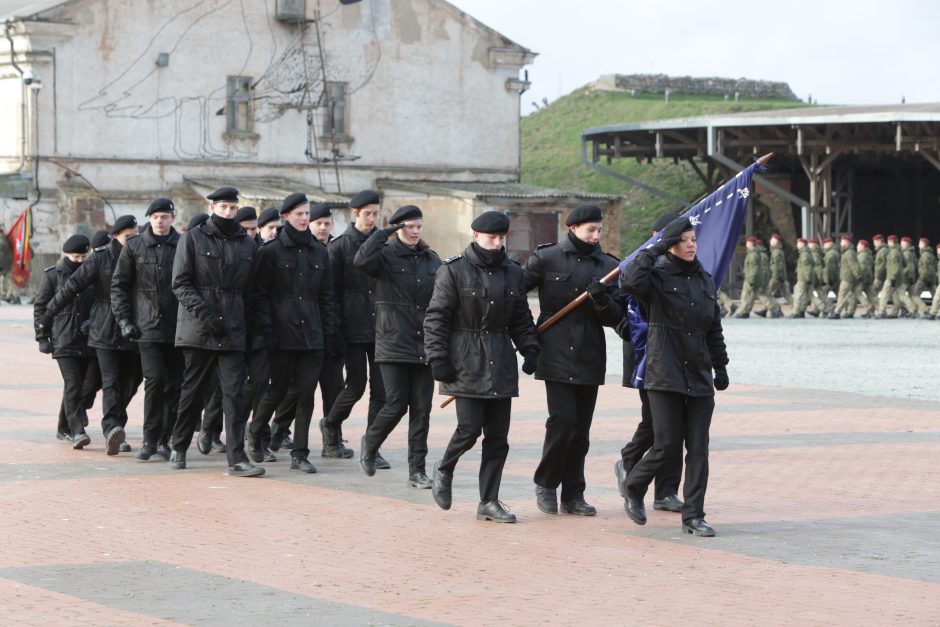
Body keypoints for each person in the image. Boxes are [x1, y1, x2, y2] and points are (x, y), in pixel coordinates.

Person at [425, 211, 539, 523]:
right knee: (469, 429)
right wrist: (438, 359)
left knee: (498, 437)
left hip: (500, 359)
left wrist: (530, 348)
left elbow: (520, 317)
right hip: (465, 360)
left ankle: (488, 501)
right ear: (476, 236)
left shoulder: (513, 273)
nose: (497, 243)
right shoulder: (454, 271)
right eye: (492, 237)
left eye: (502, 238)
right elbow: (436, 318)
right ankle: (444, 467)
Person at [620, 216, 728, 537]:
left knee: (698, 450)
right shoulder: (655, 276)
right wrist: (655, 246)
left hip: (698, 375)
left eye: (694, 239)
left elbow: (714, 328)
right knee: (666, 446)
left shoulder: (705, 280)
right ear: (671, 245)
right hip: (664, 373)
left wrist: (720, 366)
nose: (692, 244)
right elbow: (628, 281)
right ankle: (634, 485)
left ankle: (694, 516)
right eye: (684, 240)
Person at [524, 204, 621, 516]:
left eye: (599, 230)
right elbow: (514, 296)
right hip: (554, 350)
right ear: (573, 228)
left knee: (580, 430)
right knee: (562, 421)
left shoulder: (608, 266)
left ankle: (573, 494)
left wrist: (602, 299)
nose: (596, 236)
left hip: (590, 352)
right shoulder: (547, 257)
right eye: (590, 230)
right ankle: (546, 482)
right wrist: (526, 338)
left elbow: (615, 318)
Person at [169, 186, 264, 477]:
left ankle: (237, 457)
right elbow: (180, 283)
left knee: (234, 395)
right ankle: (179, 445)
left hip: (232, 330)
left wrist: (246, 327)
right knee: (193, 392)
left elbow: (251, 291)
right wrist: (206, 315)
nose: (229, 213)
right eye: (223, 208)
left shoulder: (247, 244)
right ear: (212, 208)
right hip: (199, 329)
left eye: (233, 208)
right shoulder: (193, 239)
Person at [40, 215, 143, 455]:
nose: (133, 240)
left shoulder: (142, 257)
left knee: (129, 384)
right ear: (116, 236)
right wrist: (46, 319)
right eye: (128, 236)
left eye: (135, 235)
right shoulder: (100, 258)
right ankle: (111, 428)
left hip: (134, 330)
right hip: (104, 330)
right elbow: (70, 287)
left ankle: (116, 426)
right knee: (110, 382)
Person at [354, 205, 441, 487]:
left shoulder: (431, 259)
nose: (415, 232)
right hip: (393, 341)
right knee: (395, 404)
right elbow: (361, 261)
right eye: (409, 226)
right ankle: (370, 444)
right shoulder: (384, 256)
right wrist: (384, 232)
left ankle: (417, 471)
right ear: (397, 229)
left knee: (422, 410)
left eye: (419, 226)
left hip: (424, 343)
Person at [250, 192, 336, 473]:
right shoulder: (270, 251)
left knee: (305, 394)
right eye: (299, 214)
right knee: (276, 391)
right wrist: (267, 331)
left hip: (312, 336)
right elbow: (259, 295)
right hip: (281, 335)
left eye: (307, 213)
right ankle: (257, 430)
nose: (304, 218)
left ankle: (300, 453)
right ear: (286, 217)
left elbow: (326, 296)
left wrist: (328, 332)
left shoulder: (320, 251)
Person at [614, 212, 684, 509]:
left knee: (671, 426)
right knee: (657, 422)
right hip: (649, 357)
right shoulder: (640, 265)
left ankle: (666, 491)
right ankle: (629, 461)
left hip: (679, 357)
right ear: (657, 236)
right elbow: (628, 303)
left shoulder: (680, 266)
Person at [110, 198, 182, 461]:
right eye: (155, 217)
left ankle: (166, 439)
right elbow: (119, 285)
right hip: (146, 327)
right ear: (149, 219)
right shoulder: (135, 246)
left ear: (173, 218)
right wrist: (125, 320)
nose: (160, 221)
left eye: (165, 216)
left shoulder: (184, 245)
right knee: (155, 381)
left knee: (175, 384)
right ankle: (150, 439)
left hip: (178, 328)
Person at [320, 190, 386, 462]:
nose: (372, 219)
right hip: (352, 327)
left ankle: (372, 446)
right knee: (356, 385)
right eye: (367, 214)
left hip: (382, 328)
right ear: (355, 214)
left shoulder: (385, 244)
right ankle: (331, 423)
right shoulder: (339, 247)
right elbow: (331, 293)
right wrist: (334, 330)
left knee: (382, 391)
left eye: (375, 213)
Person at [34, 234, 95, 448]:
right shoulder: (53, 276)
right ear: (66, 254)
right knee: (73, 384)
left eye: (83, 256)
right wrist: (42, 336)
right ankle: (78, 430)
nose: (79, 260)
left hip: (89, 340)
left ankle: (64, 426)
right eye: (75, 256)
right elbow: (41, 306)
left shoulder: (92, 273)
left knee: (86, 385)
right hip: (64, 339)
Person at [735, 237, 780, 318]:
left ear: (751, 244)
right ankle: (745, 311)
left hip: (751, 279)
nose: (746, 244)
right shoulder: (755, 254)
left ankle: (773, 308)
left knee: (747, 296)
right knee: (754, 296)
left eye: (748, 242)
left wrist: (751, 280)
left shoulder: (753, 255)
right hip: (755, 279)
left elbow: (754, 269)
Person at [876, 235, 916, 319]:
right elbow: (904, 264)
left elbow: (895, 266)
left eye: (888, 241)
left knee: (884, 295)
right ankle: (912, 309)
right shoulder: (899, 251)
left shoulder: (893, 252)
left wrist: (893, 277)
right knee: (900, 295)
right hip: (899, 278)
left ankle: (881, 312)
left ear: (891, 242)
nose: (888, 243)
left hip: (891, 277)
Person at [831, 234, 860, 319]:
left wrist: (858, 275)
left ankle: (837, 312)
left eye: (842, 241)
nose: (840, 243)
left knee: (842, 295)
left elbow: (854, 266)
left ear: (847, 242)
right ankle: (850, 312)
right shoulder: (849, 252)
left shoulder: (848, 253)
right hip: (849, 277)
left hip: (847, 278)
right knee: (850, 295)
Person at [913, 238, 936, 318]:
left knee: (914, 294)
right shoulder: (929, 254)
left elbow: (926, 269)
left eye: (920, 243)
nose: (918, 245)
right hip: (930, 279)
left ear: (923, 244)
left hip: (924, 278)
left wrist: (922, 278)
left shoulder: (925, 255)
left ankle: (925, 310)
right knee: (936, 295)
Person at [767, 233, 792, 306]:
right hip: (778, 277)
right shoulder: (776, 251)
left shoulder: (776, 252)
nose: (770, 240)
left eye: (772, 239)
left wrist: (777, 277)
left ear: (776, 241)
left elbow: (779, 266)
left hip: (776, 277)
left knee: (767, 293)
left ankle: (773, 309)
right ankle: (796, 309)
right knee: (786, 294)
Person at [854, 239, 875, 318]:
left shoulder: (862, 256)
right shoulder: (868, 254)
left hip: (863, 278)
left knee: (857, 292)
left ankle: (869, 308)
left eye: (858, 245)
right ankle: (875, 310)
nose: (857, 246)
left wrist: (859, 278)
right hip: (868, 278)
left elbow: (862, 268)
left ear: (863, 246)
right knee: (870, 295)